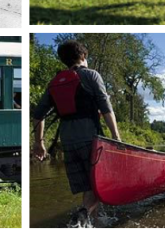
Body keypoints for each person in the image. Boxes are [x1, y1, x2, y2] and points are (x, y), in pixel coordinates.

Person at [32, 40, 121, 228]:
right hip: (91, 139)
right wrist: (116, 138)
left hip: (68, 142)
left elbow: (38, 115)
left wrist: (39, 143)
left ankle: (93, 223)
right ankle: (83, 215)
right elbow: (106, 108)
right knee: (100, 184)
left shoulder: (55, 82)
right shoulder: (91, 76)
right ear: (83, 56)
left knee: (88, 187)